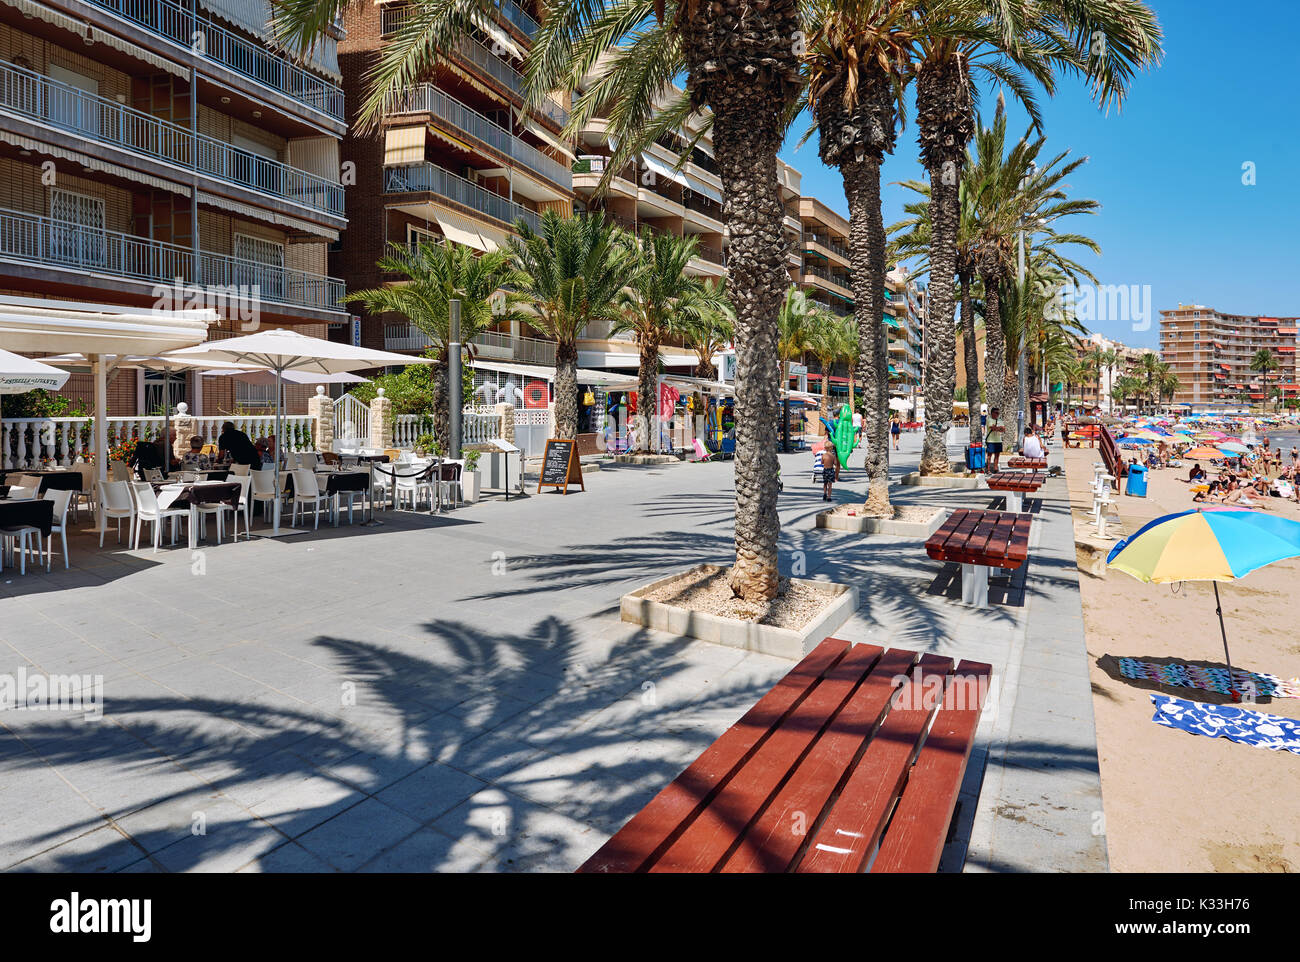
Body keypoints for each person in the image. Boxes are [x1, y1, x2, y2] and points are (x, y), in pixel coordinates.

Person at [986, 406, 1005, 472]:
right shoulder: (989, 420)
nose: (998, 414)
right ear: (992, 413)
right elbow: (992, 428)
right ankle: (988, 469)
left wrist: (997, 428)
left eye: (998, 413)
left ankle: (995, 468)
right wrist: (999, 428)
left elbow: (1003, 429)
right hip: (991, 440)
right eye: (996, 413)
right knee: (989, 456)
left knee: (997, 456)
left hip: (998, 440)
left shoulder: (1000, 420)